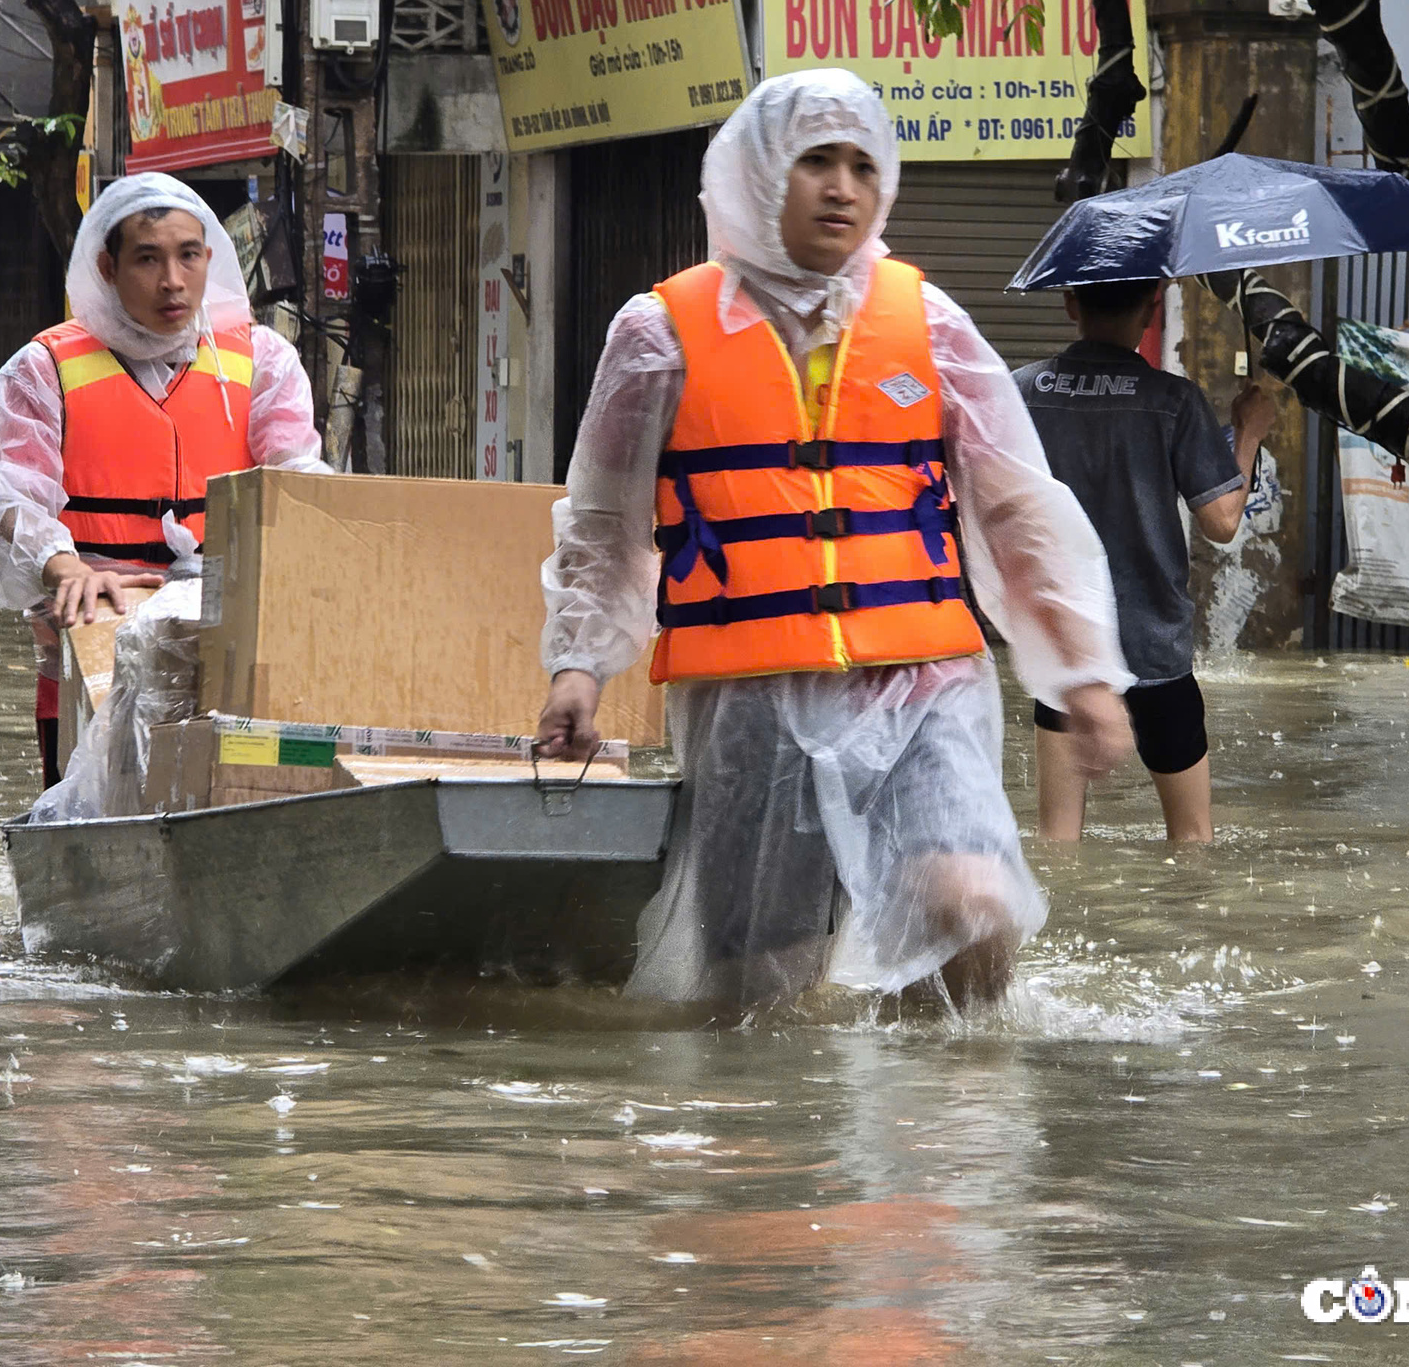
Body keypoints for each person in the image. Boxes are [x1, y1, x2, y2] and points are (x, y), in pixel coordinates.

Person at [535, 70, 1134, 1014]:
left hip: (920, 681)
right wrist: (579, 664)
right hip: (749, 695)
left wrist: (1082, 675)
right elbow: (605, 521)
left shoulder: (930, 324)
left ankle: (941, 1131)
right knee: (759, 992)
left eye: (862, 164)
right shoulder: (659, 335)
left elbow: (1018, 508)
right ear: (758, 172)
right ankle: (808, 1145)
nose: (843, 187)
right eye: (817, 161)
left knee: (974, 908)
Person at [0, 174, 327, 786]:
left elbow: (298, 484)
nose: (172, 281)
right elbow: (11, 496)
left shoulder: (263, 359)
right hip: (91, 647)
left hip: (228, 644)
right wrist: (63, 565)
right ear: (107, 266)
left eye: (187, 256)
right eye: (147, 259)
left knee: (238, 795)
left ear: (210, 258)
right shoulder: (42, 369)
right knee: (84, 812)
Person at [1013, 278, 1277, 844]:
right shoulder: (1175, 401)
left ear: (1070, 303)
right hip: (1156, 652)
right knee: (1192, 842)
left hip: (1066, 651)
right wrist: (1249, 433)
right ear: (1151, 309)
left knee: (1057, 844)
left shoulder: (1021, 392)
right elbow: (1223, 522)